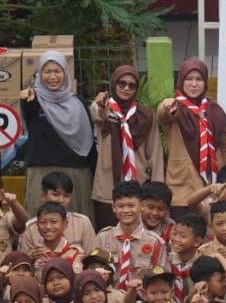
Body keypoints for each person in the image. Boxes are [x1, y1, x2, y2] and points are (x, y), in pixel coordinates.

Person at [18, 50, 94, 219]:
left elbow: (89, 141)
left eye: (57, 71)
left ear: (65, 73)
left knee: (74, 225)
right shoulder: (34, 100)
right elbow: (28, 106)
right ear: (40, 74)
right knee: (41, 225)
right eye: (47, 71)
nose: (52, 76)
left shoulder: (78, 102)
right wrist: (27, 96)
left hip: (75, 173)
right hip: (41, 172)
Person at [157, 58, 226, 207]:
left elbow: (225, 147)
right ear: (181, 81)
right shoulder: (174, 106)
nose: (194, 84)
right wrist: (166, 105)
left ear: (205, 82)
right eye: (189, 79)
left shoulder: (215, 109)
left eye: (199, 79)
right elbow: (162, 116)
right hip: (183, 188)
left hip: (215, 187)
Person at [90, 64, 158, 229]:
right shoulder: (105, 109)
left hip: (139, 183)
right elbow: (96, 113)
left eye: (131, 85)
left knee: (138, 235)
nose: (126, 88)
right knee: (108, 234)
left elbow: (154, 152)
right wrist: (99, 104)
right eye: (122, 84)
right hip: (108, 185)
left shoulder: (145, 115)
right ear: (114, 84)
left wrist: (156, 188)